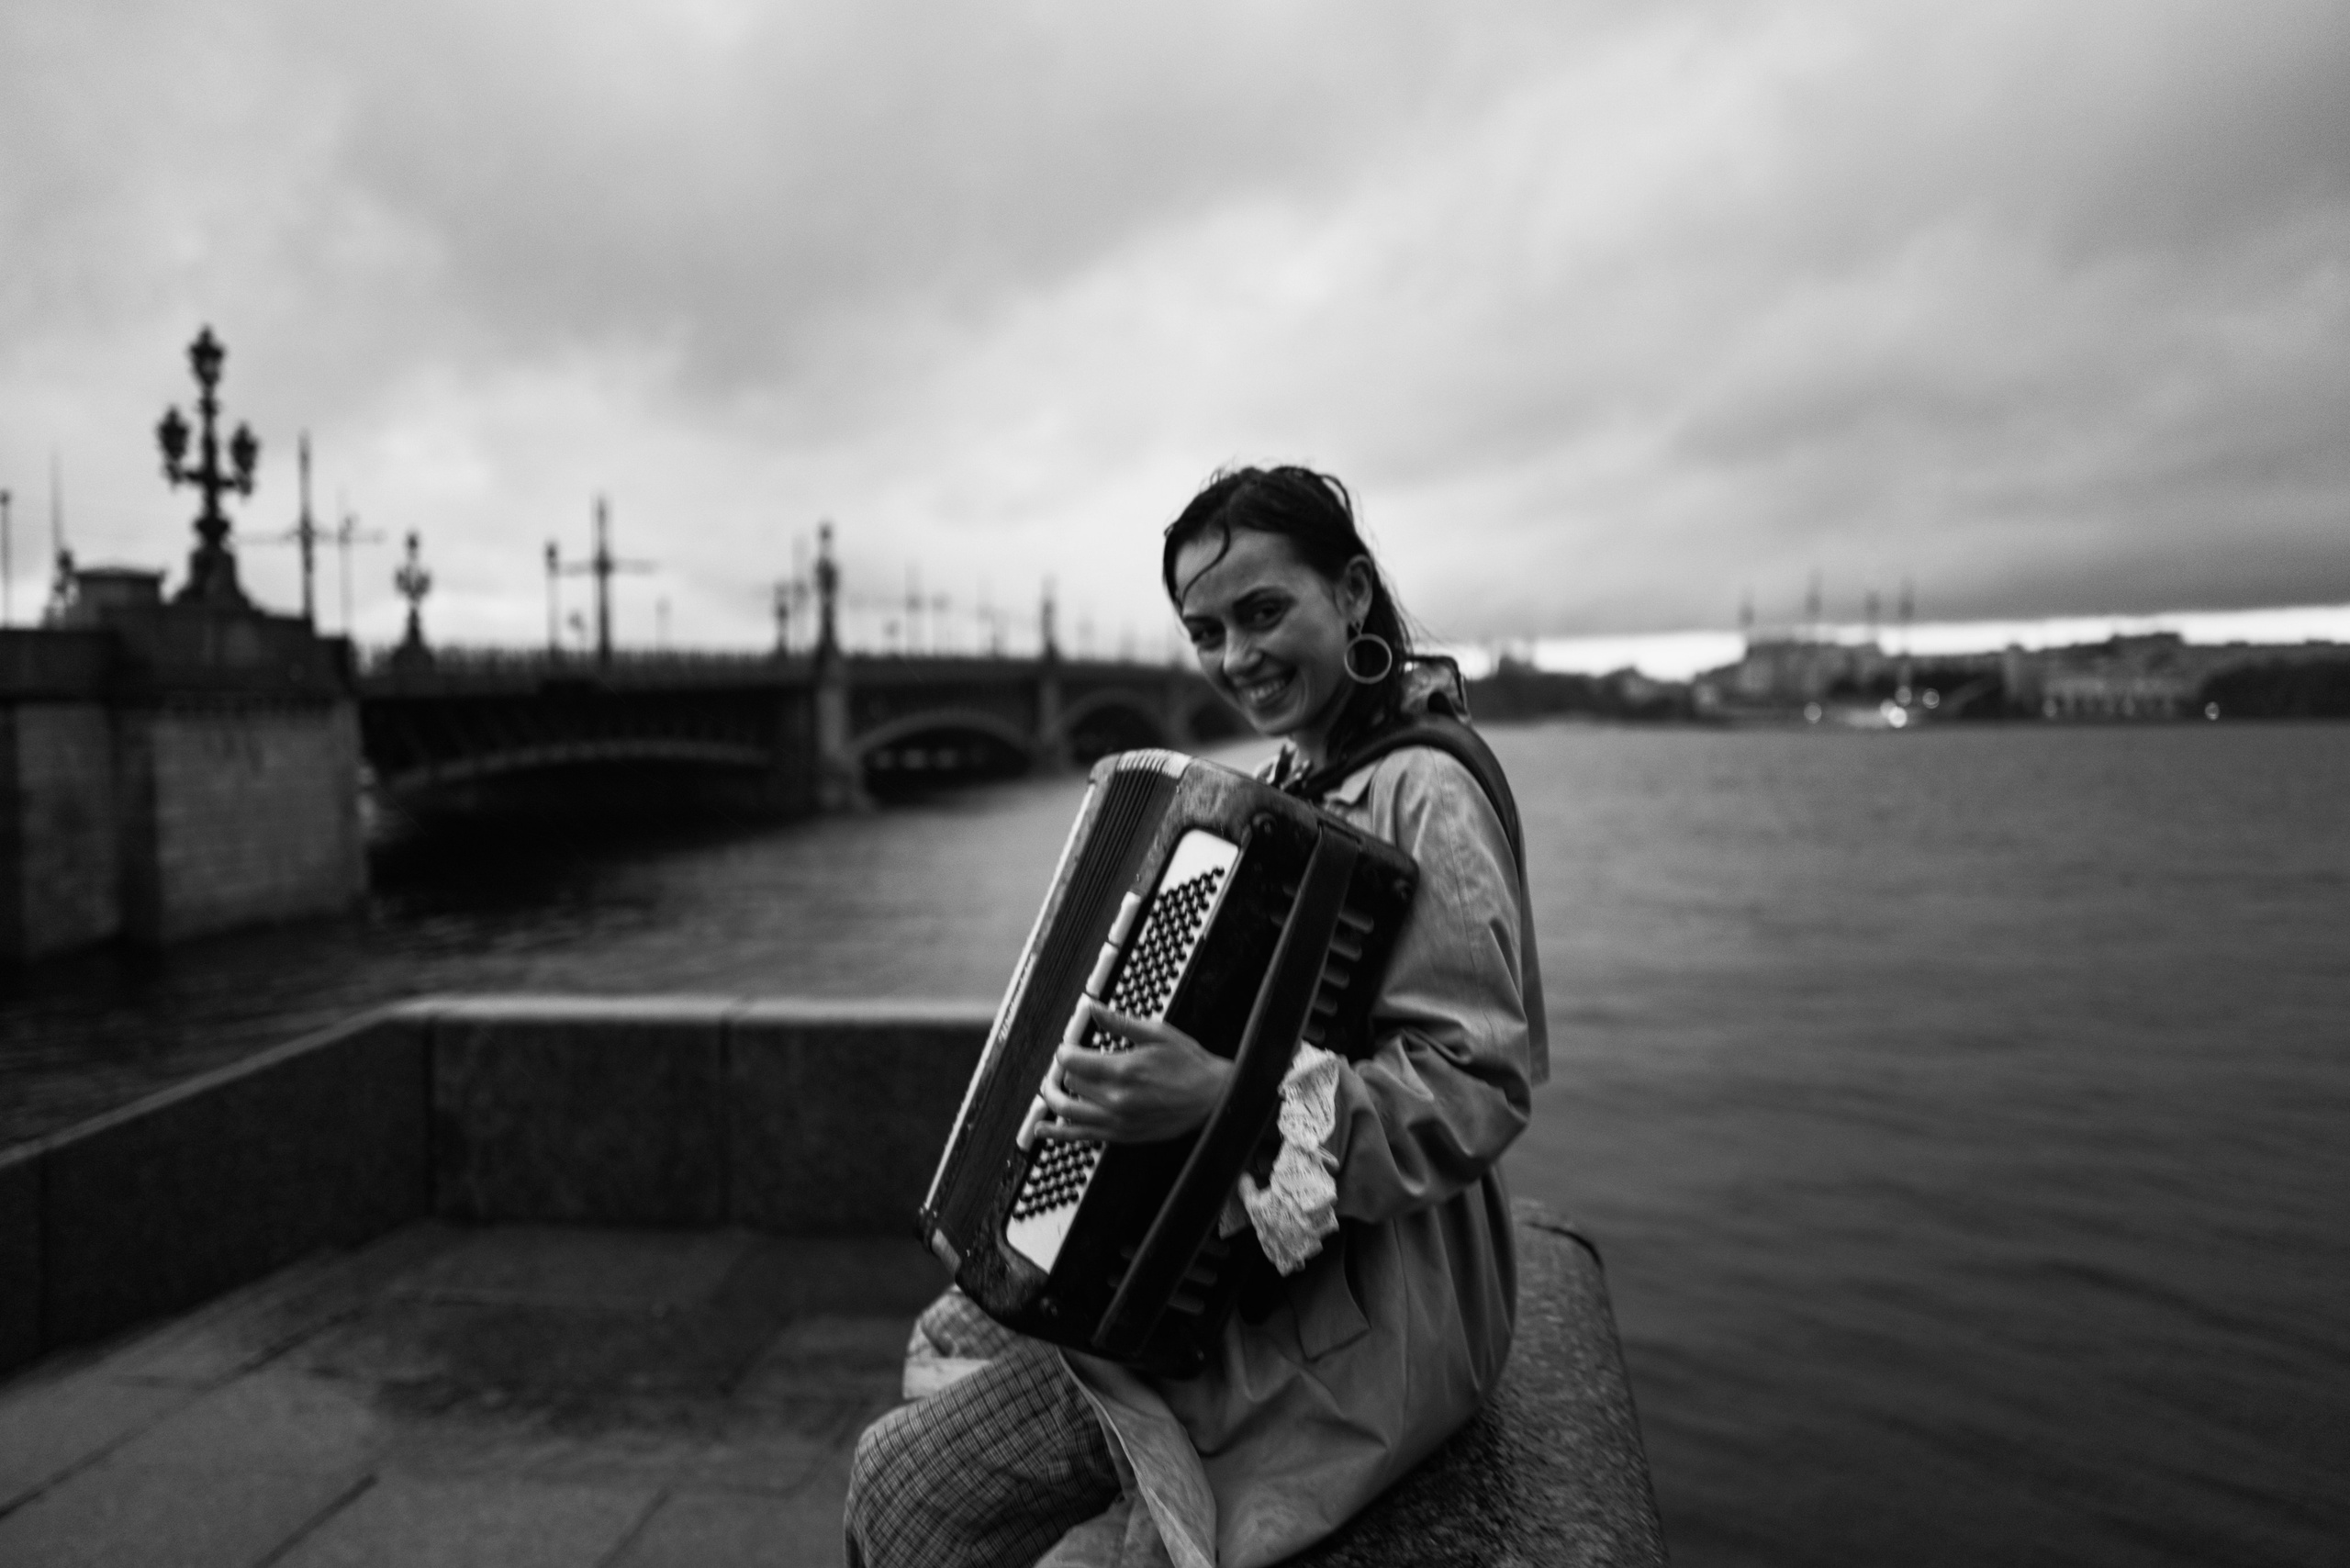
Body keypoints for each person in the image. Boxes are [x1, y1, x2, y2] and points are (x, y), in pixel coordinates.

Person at [846, 465, 1547, 1568]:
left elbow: (1477, 1085)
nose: (1235, 659)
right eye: (1205, 631)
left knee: (903, 1492)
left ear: (1352, 594)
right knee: (953, 1332)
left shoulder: (1425, 789)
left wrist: (1229, 1103)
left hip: (1377, 1301)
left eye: (1263, 612)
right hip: (1269, 1257)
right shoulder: (1297, 776)